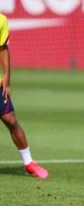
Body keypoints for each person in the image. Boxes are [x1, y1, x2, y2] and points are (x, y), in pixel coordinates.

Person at [0, 13, 48, 179]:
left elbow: (3, 49)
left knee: (10, 120)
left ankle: (29, 162)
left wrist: (7, 77)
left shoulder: (1, 20)